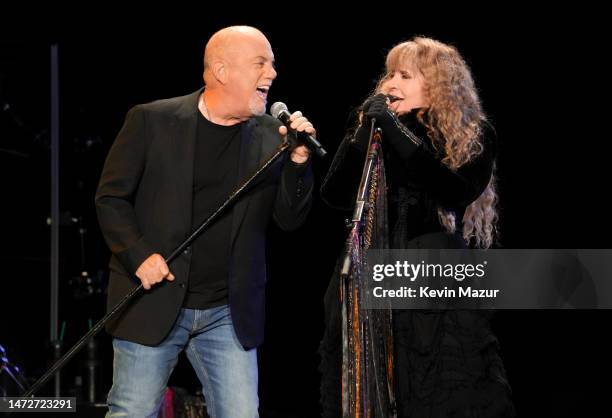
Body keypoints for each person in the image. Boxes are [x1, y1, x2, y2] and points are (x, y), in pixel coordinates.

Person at [95, 25, 315, 418]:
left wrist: (298, 165)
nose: (273, 74)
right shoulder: (152, 120)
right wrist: (138, 255)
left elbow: (290, 219)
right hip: (155, 299)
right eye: (260, 63)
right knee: (132, 411)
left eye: (273, 64)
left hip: (227, 311)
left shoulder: (271, 134)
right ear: (221, 71)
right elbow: (111, 199)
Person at [319, 37, 515, 417]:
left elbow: (454, 190)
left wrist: (394, 129)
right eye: (389, 74)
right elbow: (334, 193)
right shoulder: (373, 130)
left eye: (404, 75)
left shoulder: (471, 132)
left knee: (437, 389)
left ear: (437, 84)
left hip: (431, 281)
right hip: (367, 274)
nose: (391, 82)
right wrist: (363, 132)